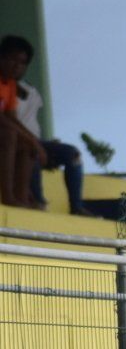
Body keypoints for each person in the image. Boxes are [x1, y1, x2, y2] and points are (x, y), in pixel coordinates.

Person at [0, 36, 87, 215]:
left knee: (32, 146)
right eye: (12, 59)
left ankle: (23, 199)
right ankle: (8, 196)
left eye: (22, 63)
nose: (16, 66)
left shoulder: (10, 85)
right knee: (11, 135)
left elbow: (11, 117)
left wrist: (33, 141)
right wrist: (32, 141)